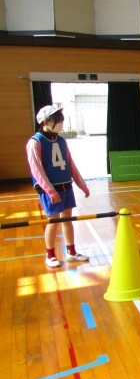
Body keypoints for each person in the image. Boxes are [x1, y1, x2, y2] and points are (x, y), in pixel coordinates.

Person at [26, 105, 91, 267]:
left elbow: (70, 164)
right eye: (57, 120)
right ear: (45, 122)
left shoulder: (61, 141)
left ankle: (71, 252)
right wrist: (50, 191)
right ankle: (50, 255)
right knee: (53, 221)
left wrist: (82, 185)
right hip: (51, 189)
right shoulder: (35, 142)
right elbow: (37, 169)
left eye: (61, 120)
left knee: (67, 219)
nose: (60, 123)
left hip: (65, 185)